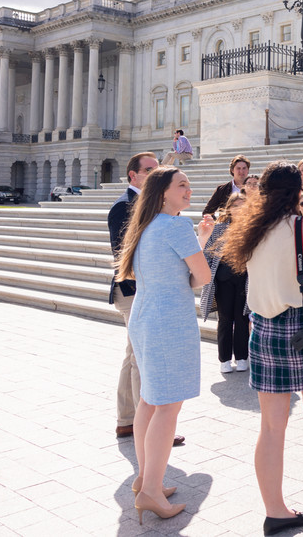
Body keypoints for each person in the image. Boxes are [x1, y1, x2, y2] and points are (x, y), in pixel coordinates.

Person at [218, 162, 303, 533]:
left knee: (272, 427)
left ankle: (275, 510)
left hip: (263, 327)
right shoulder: (301, 227)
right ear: (298, 192)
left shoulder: (251, 228)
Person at [116, 166, 214, 523]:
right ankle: (152, 490)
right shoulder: (175, 226)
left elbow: (176, 269)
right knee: (168, 407)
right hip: (169, 320)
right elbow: (200, 277)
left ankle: (146, 478)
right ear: (163, 192)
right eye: (182, 185)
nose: (189, 189)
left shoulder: (148, 225)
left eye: (189, 183)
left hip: (145, 316)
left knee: (150, 401)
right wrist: (199, 244)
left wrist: (199, 240)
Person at [108, 152, 187, 444]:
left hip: (148, 291)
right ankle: (152, 425)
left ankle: (127, 420)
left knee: (135, 355)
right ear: (133, 176)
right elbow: (124, 257)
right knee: (145, 359)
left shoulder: (153, 206)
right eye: (150, 170)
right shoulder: (123, 207)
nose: (156, 173)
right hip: (135, 291)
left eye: (158, 169)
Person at [199, 192, 250, 373]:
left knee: (242, 318)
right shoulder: (219, 228)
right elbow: (208, 252)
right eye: (236, 206)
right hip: (222, 278)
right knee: (225, 318)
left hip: (245, 279)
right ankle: (225, 359)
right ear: (229, 208)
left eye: (243, 205)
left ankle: (242, 357)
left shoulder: (252, 228)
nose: (239, 209)